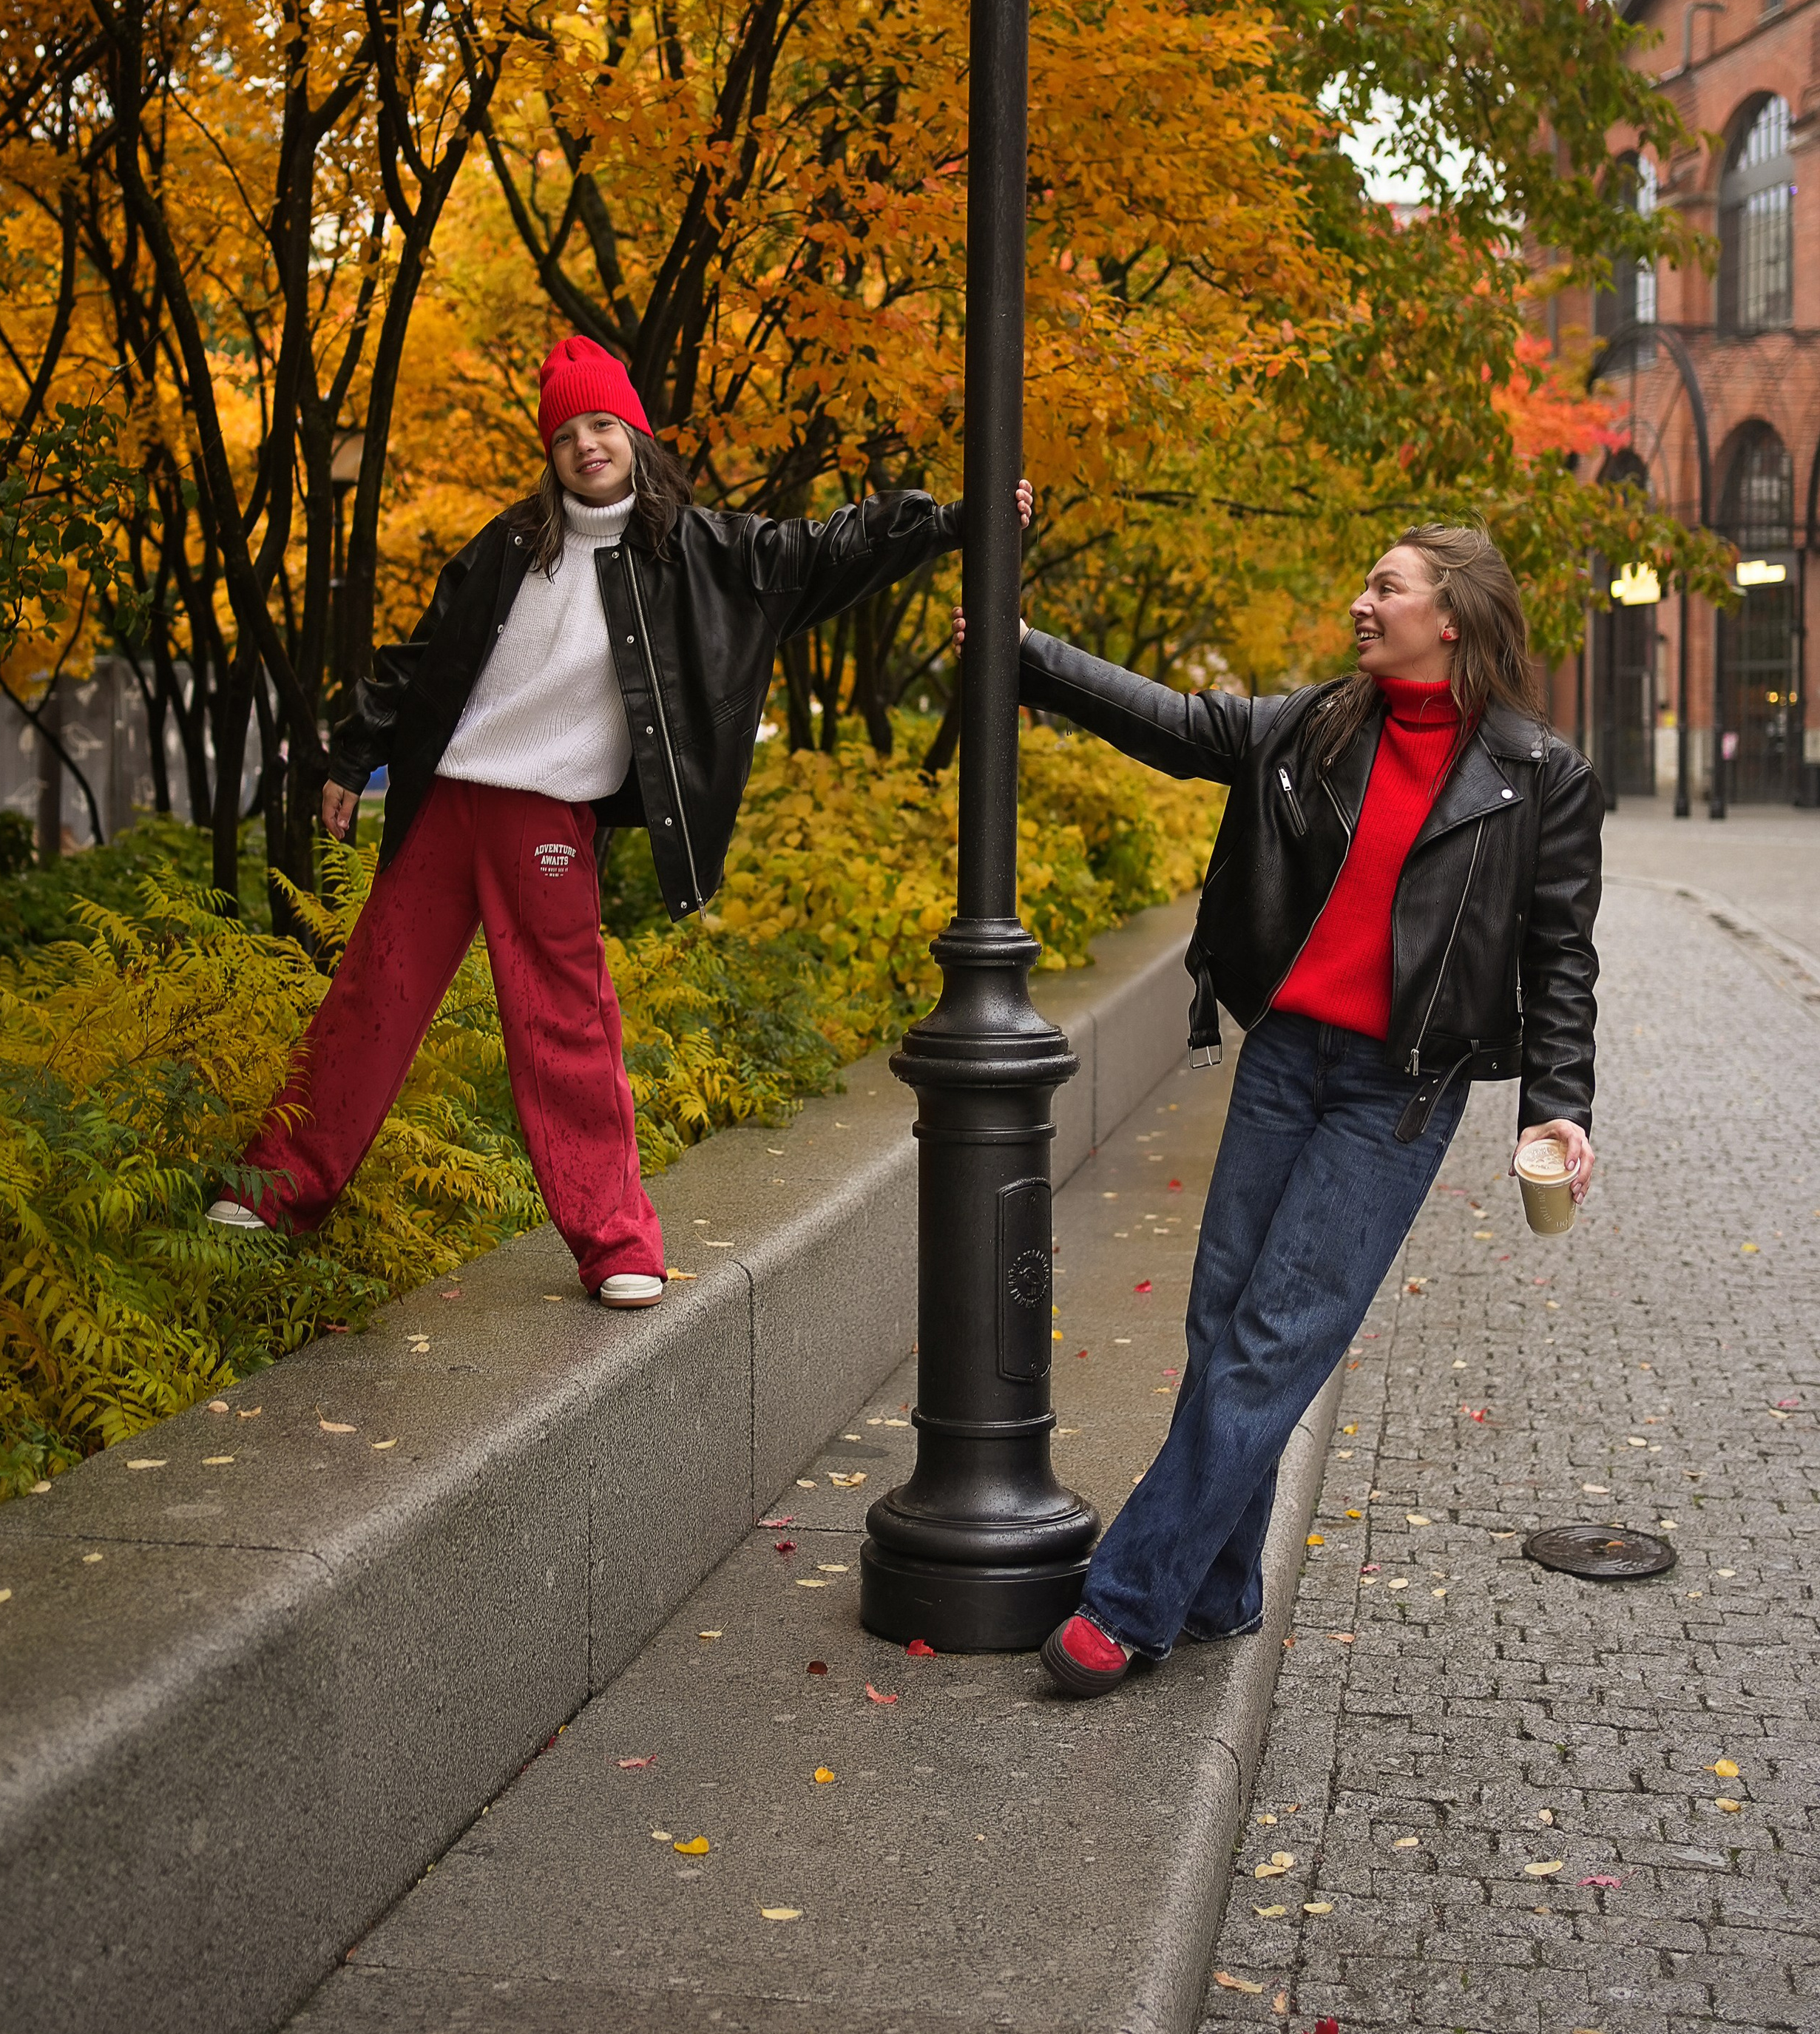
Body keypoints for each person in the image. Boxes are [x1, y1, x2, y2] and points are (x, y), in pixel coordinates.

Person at [207, 337, 984, 1308]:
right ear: (552, 452)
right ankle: (274, 1187)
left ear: (635, 435)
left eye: (603, 424)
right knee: (374, 994)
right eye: (567, 432)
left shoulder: (705, 555)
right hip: (447, 800)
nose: (587, 445)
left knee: (564, 1024)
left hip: (544, 815)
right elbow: (423, 658)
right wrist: (352, 751)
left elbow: (830, 546)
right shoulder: (508, 545)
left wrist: (956, 523)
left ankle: (616, 1242)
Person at [1018, 524, 1601, 1692]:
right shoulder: (1318, 725)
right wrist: (1024, 651)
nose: (1361, 603)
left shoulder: (1541, 775)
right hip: (1286, 1059)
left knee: (1274, 1339)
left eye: (1387, 587)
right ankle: (1221, 1588)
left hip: (1400, 1091)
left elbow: (1559, 955)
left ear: (1453, 617)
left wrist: (1557, 1104)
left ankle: (1128, 1601)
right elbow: (1177, 723)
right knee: (1219, 1326)